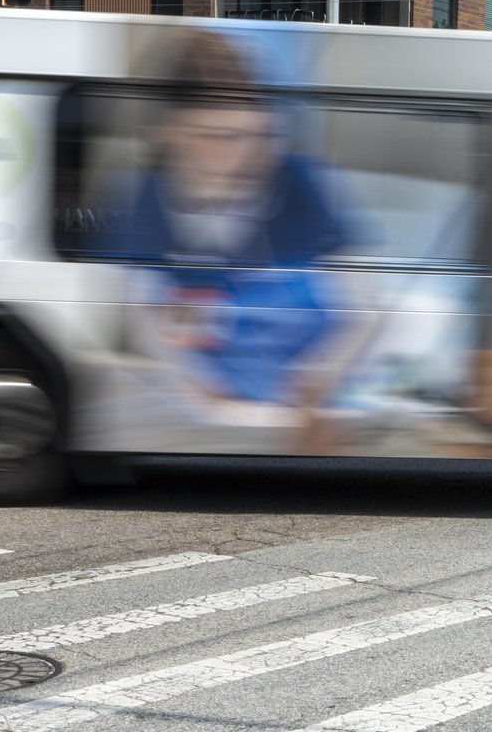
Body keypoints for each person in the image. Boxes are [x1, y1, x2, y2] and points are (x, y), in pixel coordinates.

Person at [99, 28, 376, 453]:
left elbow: (368, 309)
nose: (236, 156)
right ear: (166, 133)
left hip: (310, 391)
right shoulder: (145, 196)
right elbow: (139, 314)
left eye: (250, 136)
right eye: (210, 138)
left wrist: (315, 383)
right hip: (213, 401)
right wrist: (198, 387)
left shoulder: (297, 182)